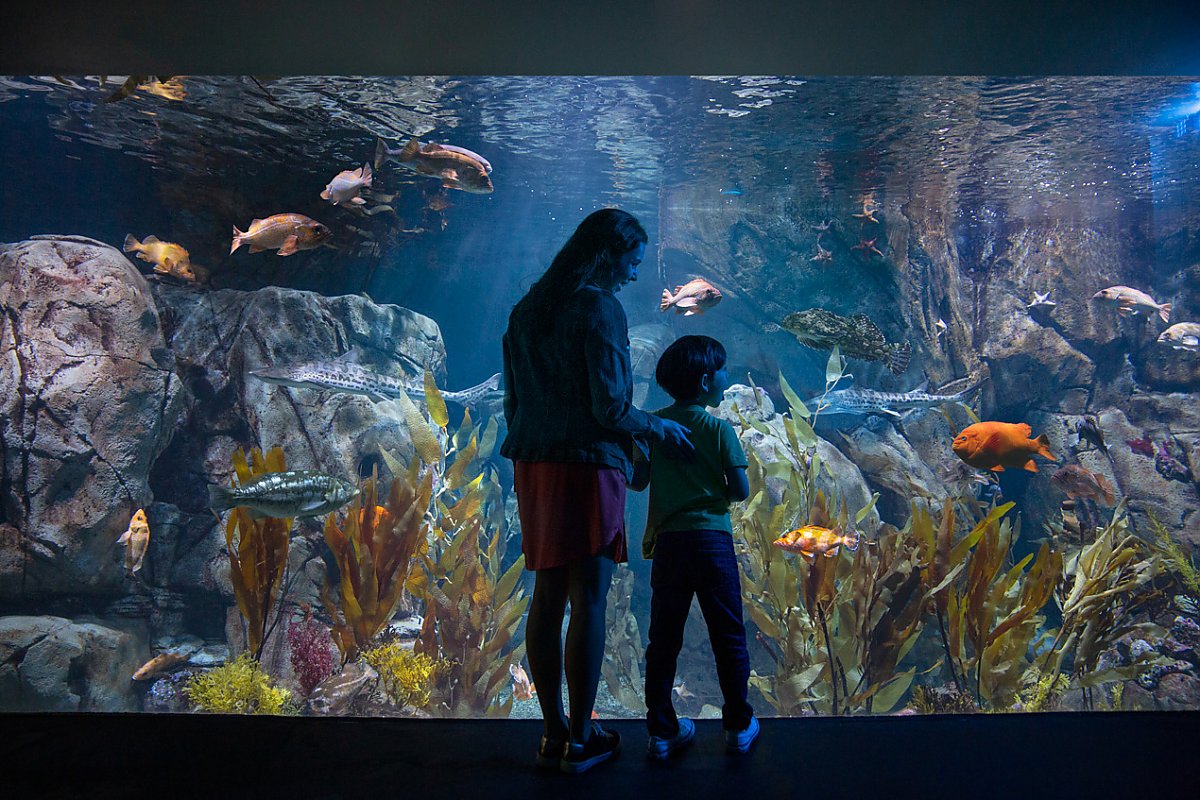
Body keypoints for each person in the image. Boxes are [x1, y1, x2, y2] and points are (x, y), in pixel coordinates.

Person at [501, 208, 694, 775]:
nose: (635, 274)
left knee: (547, 595)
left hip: (534, 465)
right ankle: (583, 738)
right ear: (608, 255)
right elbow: (609, 406)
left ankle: (554, 732)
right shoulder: (599, 310)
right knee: (588, 598)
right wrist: (658, 427)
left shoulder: (525, 312)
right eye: (633, 261)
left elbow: (514, 404)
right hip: (588, 466)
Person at [640, 334, 759, 760]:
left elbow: (637, 479)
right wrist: (713, 492)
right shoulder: (721, 429)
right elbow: (741, 490)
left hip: (671, 544)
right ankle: (737, 724)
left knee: (663, 637)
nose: (726, 377)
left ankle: (661, 729)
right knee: (728, 633)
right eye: (723, 370)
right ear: (707, 379)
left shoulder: (654, 428)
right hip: (712, 541)